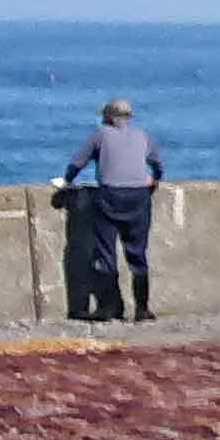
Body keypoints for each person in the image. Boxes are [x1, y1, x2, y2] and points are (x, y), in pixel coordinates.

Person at [55, 99, 162, 323]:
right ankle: (142, 309)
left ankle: (110, 308)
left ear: (108, 117)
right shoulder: (143, 135)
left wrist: (66, 182)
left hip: (110, 197)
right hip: (138, 197)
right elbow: (158, 166)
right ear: (128, 117)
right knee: (137, 253)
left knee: (106, 253)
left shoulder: (100, 134)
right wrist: (154, 180)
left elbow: (77, 163)